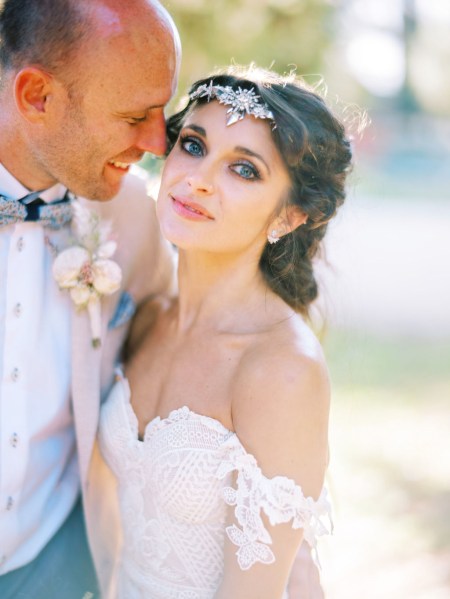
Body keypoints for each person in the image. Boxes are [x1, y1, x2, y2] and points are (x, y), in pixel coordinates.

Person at [99, 66, 353, 598]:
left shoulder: (282, 371)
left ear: (289, 216)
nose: (197, 178)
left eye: (243, 169)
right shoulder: (147, 317)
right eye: (193, 145)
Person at [0, 0, 180, 597]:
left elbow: (170, 336)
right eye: (136, 115)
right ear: (37, 97)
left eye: (163, 111)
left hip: (57, 565)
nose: (158, 142)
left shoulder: (136, 216)